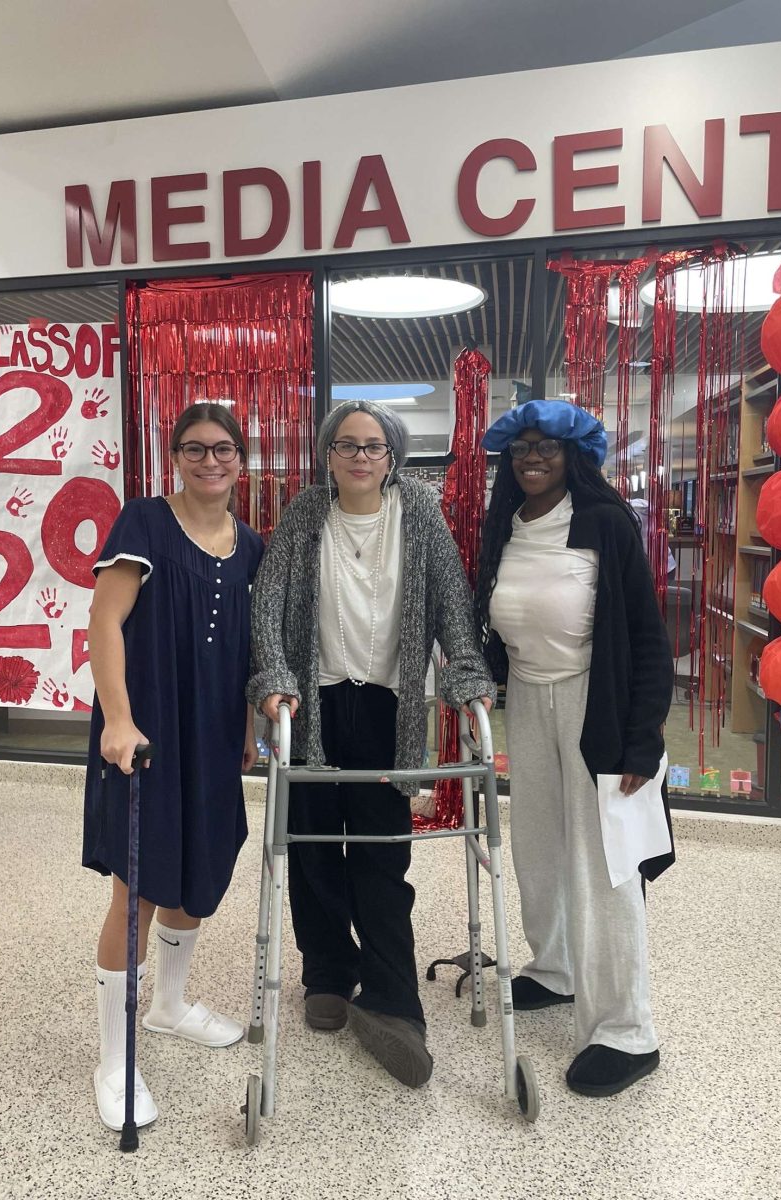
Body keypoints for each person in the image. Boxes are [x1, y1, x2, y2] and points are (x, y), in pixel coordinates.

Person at [247, 400, 495, 1089]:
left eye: (375, 446)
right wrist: (273, 677)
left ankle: (392, 995)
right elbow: (266, 604)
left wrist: (466, 676)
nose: (361, 456)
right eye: (348, 445)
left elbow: (450, 598)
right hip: (313, 704)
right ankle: (328, 971)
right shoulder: (303, 514)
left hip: (388, 710)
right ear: (328, 453)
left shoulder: (417, 511)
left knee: (383, 855)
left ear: (394, 456)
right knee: (314, 847)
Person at [475, 399, 675, 1098]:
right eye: (522, 448)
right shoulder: (504, 526)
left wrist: (641, 743)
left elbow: (649, 638)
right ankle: (555, 968)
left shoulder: (604, 523)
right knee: (538, 846)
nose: (532, 458)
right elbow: (499, 620)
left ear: (573, 455)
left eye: (548, 447)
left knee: (605, 868)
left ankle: (628, 1029)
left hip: (600, 704)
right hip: (529, 702)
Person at [82, 401, 263, 1132]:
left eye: (223, 450)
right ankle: (114, 1058)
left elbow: (246, 645)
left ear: (242, 461)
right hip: (148, 730)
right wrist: (119, 718)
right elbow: (104, 621)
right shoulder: (146, 523)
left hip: (214, 734)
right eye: (195, 449)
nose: (210, 461)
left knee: (200, 873)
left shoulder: (250, 545)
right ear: (175, 457)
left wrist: (247, 726)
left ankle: (170, 1006)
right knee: (139, 891)